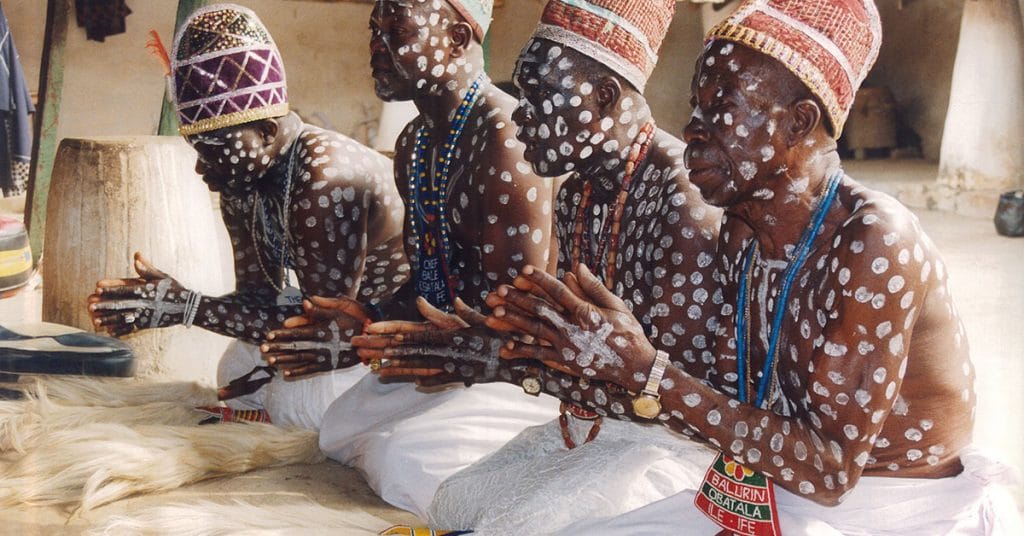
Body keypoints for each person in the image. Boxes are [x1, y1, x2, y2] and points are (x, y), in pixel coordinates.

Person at [477, 0, 1022, 534]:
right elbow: (722, 405)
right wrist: (590, 363)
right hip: (768, 491)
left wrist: (647, 371)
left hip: (892, 510)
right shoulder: (743, 226)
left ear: (798, 124)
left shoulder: (875, 240)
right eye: (695, 106)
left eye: (722, 107)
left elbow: (830, 473)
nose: (692, 129)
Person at [354, 1, 725, 532]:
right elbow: (564, 348)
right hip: (592, 424)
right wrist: (492, 350)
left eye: (538, 97)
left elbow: (669, 400)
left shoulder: (682, 203)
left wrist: (504, 364)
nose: (522, 115)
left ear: (603, 97)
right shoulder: (578, 192)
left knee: (517, 523)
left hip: (675, 448)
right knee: (455, 501)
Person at [263, 0, 561, 518]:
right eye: (374, 30)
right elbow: (428, 285)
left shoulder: (506, 142)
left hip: (519, 376)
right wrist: (364, 325)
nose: (376, 47)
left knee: (403, 460)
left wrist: (390, 347)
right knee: (329, 421)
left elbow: (517, 328)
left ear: (458, 37)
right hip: (450, 359)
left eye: (395, 30)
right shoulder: (415, 142)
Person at [87, 4, 407, 428]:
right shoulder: (243, 174)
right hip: (326, 333)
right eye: (198, 152)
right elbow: (258, 298)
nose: (203, 169)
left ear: (268, 133)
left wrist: (187, 308)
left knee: (306, 398)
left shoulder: (325, 175)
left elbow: (323, 330)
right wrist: (175, 299)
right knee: (236, 365)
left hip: (373, 339)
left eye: (214, 151)